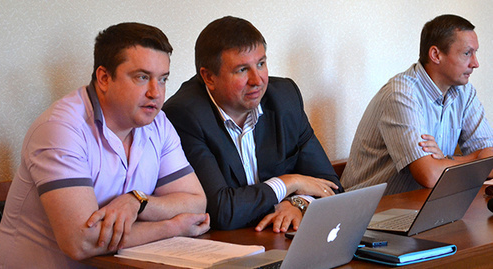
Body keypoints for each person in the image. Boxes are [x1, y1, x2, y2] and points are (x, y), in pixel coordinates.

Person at [0, 22, 210, 268]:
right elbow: (82, 241)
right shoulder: (60, 129)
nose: (156, 93)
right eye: (142, 77)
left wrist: (137, 202)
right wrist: (173, 226)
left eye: (162, 79)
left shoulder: (157, 123)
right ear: (104, 78)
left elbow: (195, 202)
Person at [163, 16, 343, 233]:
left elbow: (331, 186)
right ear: (209, 77)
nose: (257, 80)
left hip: (274, 238)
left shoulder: (284, 98)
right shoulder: (185, 115)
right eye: (241, 70)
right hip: (224, 248)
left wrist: (296, 204)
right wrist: (289, 182)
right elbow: (222, 211)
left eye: (261, 64)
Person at [341, 14, 493, 195]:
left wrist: (445, 160)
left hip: (420, 205)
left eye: (475, 53)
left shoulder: (464, 92)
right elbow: (429, 175)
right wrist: (475, 158)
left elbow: (490, 163)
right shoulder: (401, 93)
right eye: (467, 53)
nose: (475, 63)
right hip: (369, 211)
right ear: (436, 54)